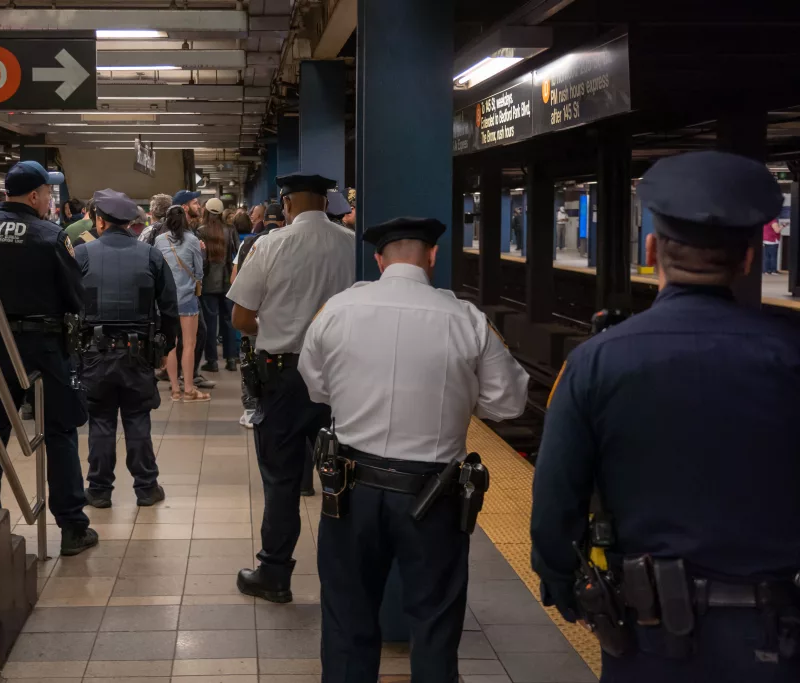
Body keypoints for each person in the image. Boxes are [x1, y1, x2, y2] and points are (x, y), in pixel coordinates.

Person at [531, 151, 800, 683]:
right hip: (777, 636)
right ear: (749, 258)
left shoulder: (597, 362)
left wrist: (567, 591)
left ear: (651, 251)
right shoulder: (790, 358)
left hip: (645, 634)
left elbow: (555, 500)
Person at [300, 217, 528, 682]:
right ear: (433, 257)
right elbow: (507, 403)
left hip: (349, 490)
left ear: (379, 260)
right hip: (434, 496)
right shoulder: (467, 319)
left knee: (347, 618)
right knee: (435, 624)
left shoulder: (338, 309)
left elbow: (316, 387)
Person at [227, 173, 355, 602]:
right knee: (342, 477)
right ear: (326, 201)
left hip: (281, 375)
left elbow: (242, 320)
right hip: (339, 377)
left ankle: (275, 574)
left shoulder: (270, 244)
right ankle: (344, 578)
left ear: (288, 204)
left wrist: (279, 326)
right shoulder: (351, 245)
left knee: (281, 479)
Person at [0, 160, 98, 556]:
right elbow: (73, 295)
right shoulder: (50, 234)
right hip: (42, 347)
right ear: (34, 195)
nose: (49, 200)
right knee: (58, 432)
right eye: (47, 193)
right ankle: (73, 527)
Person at [76, 189, 179, 508]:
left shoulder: (82, 254)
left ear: (100, 221)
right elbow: (170, 307)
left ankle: (99, 489)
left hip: (95, 354)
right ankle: (146, 487)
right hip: (138, 353)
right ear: (129, 223)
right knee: (137, 419)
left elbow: (67, 303)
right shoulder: (150, 255)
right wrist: (166, 346)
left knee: (101, 420)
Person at [230, 203, 285, 429]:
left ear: (263, 220)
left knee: (249, 360)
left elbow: (235, 279)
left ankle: (251, 408)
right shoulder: (284, 243)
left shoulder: (249, 243)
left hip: (251, 310)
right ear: (283, 220)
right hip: (278, 313)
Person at [155, 205, 210, 402]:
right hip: (187, 298)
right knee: (189, 344)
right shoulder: (193, 240)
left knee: (171, 344)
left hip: (166, 300)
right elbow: (199, 270)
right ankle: (189, 389)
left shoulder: (159, 240)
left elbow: (156, 267)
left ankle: (175, 391)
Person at [199, 197, 240, 373]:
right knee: (228, 321)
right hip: (227, 280)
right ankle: (231, 359)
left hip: (207, 282)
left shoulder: (201, 231)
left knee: (209, 323)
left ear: (206, 211)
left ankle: (212, 361)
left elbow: (199, 257)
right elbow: (237, 253)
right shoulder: (230, 229)